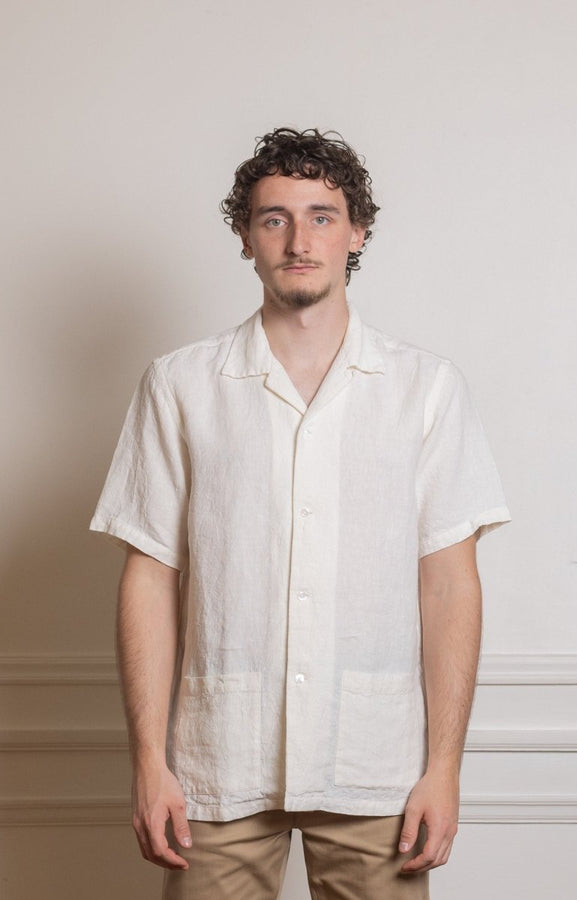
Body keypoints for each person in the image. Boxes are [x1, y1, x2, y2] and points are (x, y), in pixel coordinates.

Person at [90, 127, 510, 899]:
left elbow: (450, 583)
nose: (299, 240)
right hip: (219, 765)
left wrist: (445, 767)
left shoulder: (426, 389)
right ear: (245, 236)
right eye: (274, 218)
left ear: (358, 231)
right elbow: (149, 576)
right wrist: (149, 762)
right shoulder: (181, 385)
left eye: (322, 216)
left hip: (376, 766)